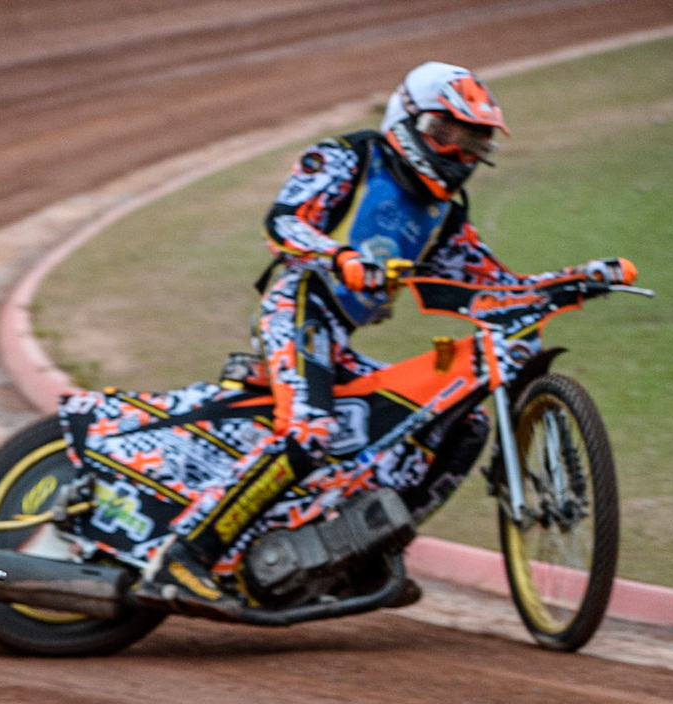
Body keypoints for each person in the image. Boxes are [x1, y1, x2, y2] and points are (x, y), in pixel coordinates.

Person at [132, 61, 632, 618]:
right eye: (446, 133)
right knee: (310, 431)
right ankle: (183, 557)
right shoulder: (348, 157)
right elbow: (284, 223)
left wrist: (575, 280)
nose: (458, 152)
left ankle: (365, 552)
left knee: (464, 423)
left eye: (473, 142)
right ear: (407, 117)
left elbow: (495, 288)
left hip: (338, 339)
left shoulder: (444, 215)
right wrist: (339, 257)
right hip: (298, 310)